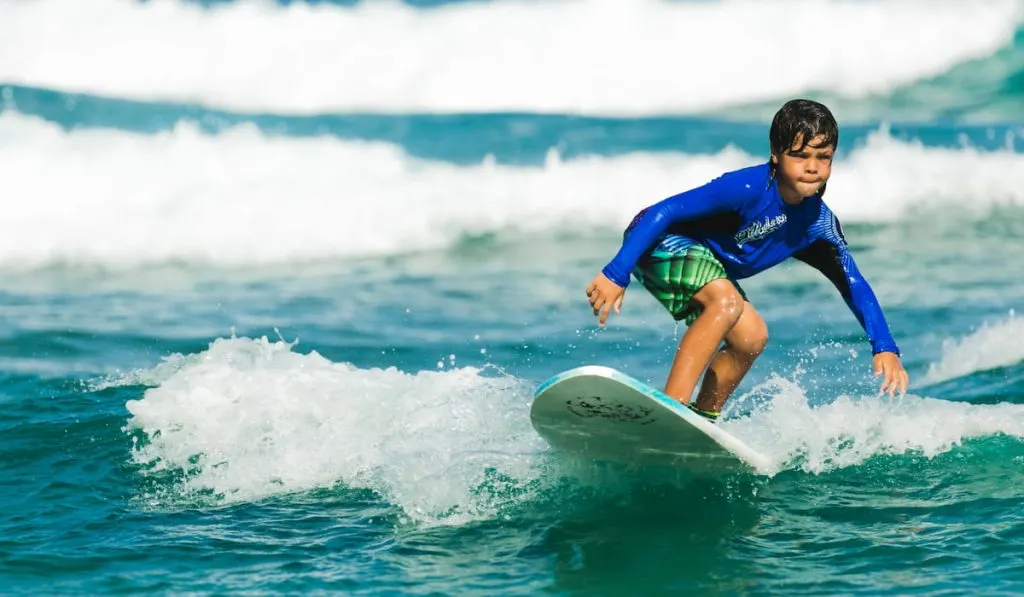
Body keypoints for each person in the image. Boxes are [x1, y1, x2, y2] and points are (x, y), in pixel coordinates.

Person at [585, 99, 909, 421]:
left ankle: (703, 418)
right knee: (725, 302)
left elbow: (853, 283)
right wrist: (617, 272)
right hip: (657, 239)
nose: (812, 167)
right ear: (776, 154)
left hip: (707, 261)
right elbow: (664, 211)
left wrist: (885, 346)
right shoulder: (748, 187)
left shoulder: (818, 225)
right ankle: (673, 409)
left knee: (751, 336)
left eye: (823, 157)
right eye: (800, 156)